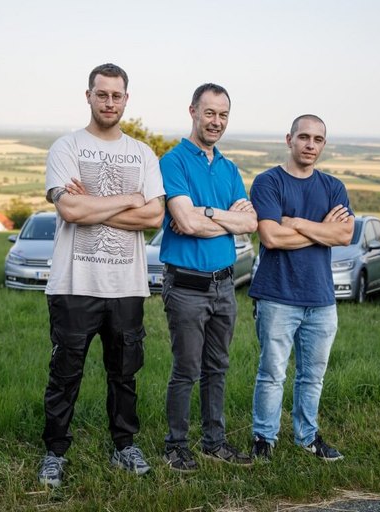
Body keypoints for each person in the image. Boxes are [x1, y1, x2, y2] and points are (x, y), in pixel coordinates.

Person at [38, 63, 165, 487]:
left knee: (124, 373)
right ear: (88, 96)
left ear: (126, 99)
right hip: (73, 285)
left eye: (117, 95)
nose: (109, 102)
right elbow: (70, 209)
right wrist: (129, 198)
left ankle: (124, 446)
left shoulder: (142, 154)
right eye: (102, 94)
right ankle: (55, 452)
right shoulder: (66, 147)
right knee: (65, 374)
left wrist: (97, 204)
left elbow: (155, 215)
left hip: (127, 286)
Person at [159, 83, 257, 471]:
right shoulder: (174, 161)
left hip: (225, 285)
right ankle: (176, 446)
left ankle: (214, 443)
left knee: (218, 368)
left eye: (223, 115)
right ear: (193, 112)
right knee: (186, 370)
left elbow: (250, 222)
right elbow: (183, 219)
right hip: (186, 286)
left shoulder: (230, 168)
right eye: (210, 113)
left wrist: (210, 214)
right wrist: (221, 219)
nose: (216, 121)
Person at [248, 114, 353, 462]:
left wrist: (296, 222)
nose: (310, 145)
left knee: (312, 377)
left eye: (318, 139)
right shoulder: (269, 182)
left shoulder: (333, 187)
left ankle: (307, 437)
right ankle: (264, 439)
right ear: (289, 139)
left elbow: (344, 234)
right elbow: (271, 237)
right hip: (277, 295)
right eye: (304, 137)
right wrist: (319, 230)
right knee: (272, 373)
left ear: (323, 144)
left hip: (322, 300)